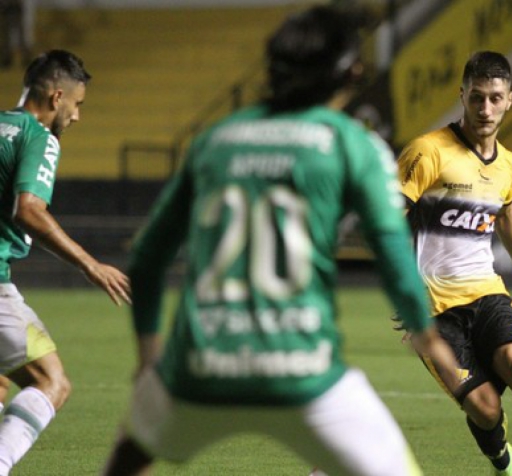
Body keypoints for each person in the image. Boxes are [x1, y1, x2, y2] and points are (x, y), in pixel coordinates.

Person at [101, 5, 458, 476]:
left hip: (199, 368)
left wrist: (149, 363)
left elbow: (147, 260)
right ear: (349, 73)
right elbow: (392, 256)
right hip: (304, 370)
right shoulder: (350, 142)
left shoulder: (215, 140)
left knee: (129, 458)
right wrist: (430, 339)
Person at [396, 51, 512, 476]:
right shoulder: (428, 153)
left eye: (495, 98)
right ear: (462, 96)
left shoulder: (507, 164)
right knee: (486, 409)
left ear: (510, 99)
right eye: (477, 98)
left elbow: (507, 211)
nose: (485, 109)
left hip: (487, 294)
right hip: (434, 311)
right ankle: (502, 460)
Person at [0, 50, 132, 475]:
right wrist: (89, 264)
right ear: (57, 97)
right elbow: (30, 210)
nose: (76, 117)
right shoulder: (39, 136)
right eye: (77, 105)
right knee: (51, 382)